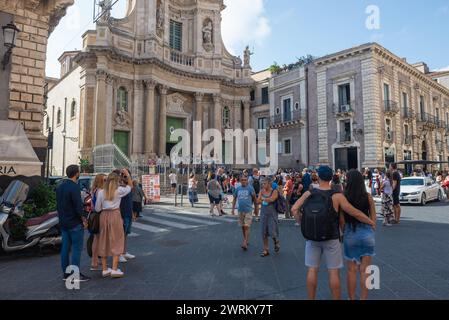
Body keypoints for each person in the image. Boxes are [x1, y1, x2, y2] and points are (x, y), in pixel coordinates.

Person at [291, 166, 376, 300]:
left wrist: (302, 223)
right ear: (331, 178)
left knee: (312, 270)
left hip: (312, 238)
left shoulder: (309, 193)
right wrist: (370, 222)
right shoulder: (337, 196)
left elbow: (294, 209)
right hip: (331, 237)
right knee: (334, 272)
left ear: (318, 177)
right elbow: (353, 212)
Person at [341, 170, 377, 300]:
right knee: (365, 270)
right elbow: (373, 218)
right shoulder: (368, 196)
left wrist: (345, 231)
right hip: (367, 234)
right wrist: (371, 229)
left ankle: (352, 299)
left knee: (351, 270)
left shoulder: (343, 197)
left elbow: (342, 221)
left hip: (351, 233)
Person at [95, 171, 132, 278]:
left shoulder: (101, 192)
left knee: (104, 240)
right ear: (117, 181)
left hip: (104, 215)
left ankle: (105, 269)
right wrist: (127, 175)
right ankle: (115, 269)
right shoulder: (119, 190)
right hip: (115, 215)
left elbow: (97, 208)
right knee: (117, 240)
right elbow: (130, 187)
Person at [57, 165, 90, 282]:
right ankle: (75, 275)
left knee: (65, 248)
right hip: (74, 223)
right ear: (76, 174)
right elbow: (78, 206)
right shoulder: (74, 187)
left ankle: (66, 274)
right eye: (79, 172)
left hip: (63, 222)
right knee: (76, 249)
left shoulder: (60, 186)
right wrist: (84, 220)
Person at [232, 175, 258, 251]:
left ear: (247, 181)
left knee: (247, 226)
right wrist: (233, 209)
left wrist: (256, 209)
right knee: (243, 226)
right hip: (240, 210)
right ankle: (246, 240)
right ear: (240, 181)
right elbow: (234, 198)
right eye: (242, 180)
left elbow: (255, 199)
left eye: (245, 180)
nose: (243, 181)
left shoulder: (250, 188)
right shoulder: (238, 188)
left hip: (248, 210)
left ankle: (245, 242)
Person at [257, 177, 280, 257]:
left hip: (272, 215)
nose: (263, 185)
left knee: (272, 232)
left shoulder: (274, 191)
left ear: (269, 184)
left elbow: (272, 199)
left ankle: (276, 241)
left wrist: (263, 198)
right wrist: (265, 199)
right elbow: (257, 201)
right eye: (262, 183)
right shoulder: (261, 191)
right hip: (263, 214)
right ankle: (266, 249)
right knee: (264, 232)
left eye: (265, 183)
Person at [90, 173, 107, 272]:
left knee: (97, 239)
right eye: (104, 180)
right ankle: (94, 261)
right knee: (98, 239)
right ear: (101, 181)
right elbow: (98, 207)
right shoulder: (100, 191)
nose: (106, 182)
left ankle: (97, 260)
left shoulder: (94, 190)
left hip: (95, 215)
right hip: (99, 215)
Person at [119, 169, 135, 263]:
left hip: (128, 212)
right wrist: (126, 175)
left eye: (127, 176)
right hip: (122, 214)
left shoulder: (127, 187)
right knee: (121, 235)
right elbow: (131, 186)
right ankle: (119, 253)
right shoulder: (121, 187)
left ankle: (124, 252)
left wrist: (132, 212)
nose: (126, 178)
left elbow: (130, 201)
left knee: (125, 235)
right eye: (124, 176)